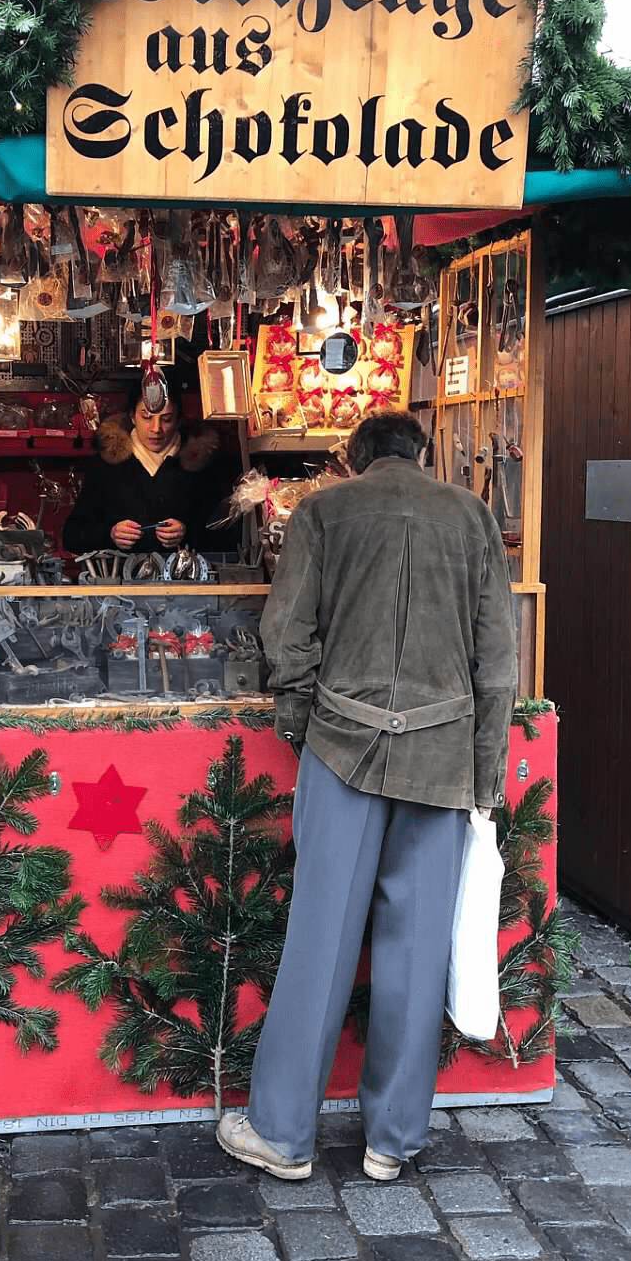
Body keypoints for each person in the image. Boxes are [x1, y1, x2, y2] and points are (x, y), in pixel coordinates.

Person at [216, 411, 517, 1183]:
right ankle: (392, 1141)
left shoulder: (322, 510)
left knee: (318, 942)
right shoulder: (474, 515)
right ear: (421, 454)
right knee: (416, 951)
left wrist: (300, 722)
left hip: (341, 746)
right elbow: (496, 661)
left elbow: (285, 635)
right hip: (443, 754)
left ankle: (283, 1136)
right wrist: (484, 775)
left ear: (352, 458)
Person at [62, 372, 237, 556]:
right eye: (146, 417)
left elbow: (228, 537)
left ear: (178, 419)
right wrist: (110, 534)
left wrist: (187, 533)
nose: (156, 429)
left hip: (185, 581)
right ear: (132, 417)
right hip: (121, 580)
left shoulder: (203, 466)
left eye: (166, 419)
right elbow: (72, 536)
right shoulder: (106, 465)